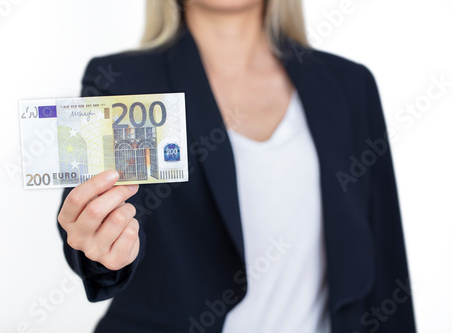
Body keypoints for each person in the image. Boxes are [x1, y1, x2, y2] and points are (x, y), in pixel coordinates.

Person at [57, 0, 417, 332]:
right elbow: (108, 216)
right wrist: (103, 250)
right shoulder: (124, 81)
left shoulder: (350, 86)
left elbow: (385, 258)